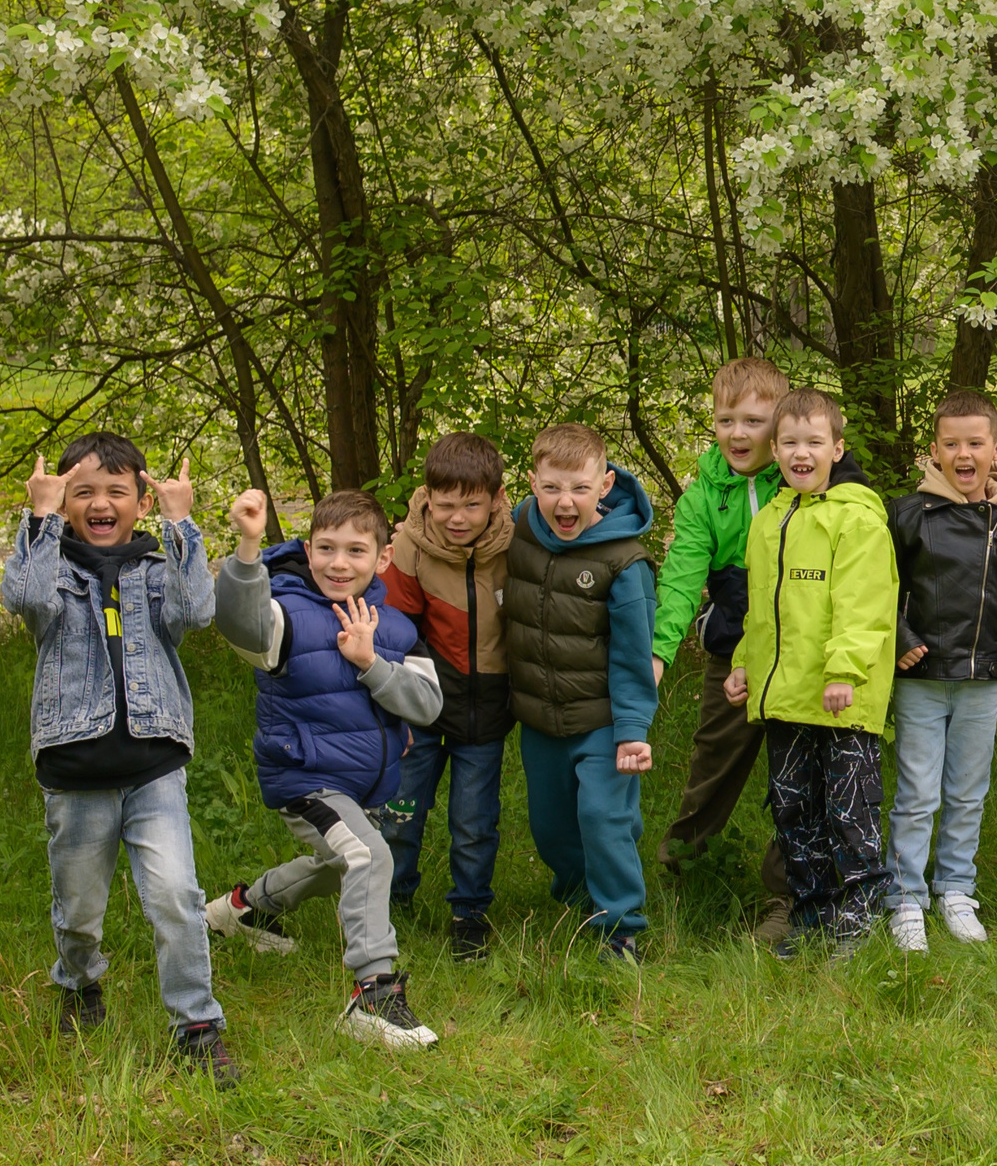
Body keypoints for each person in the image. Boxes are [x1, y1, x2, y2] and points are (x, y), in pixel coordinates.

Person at [0, 436, 235, 1085]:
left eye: (116, 491)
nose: (101, 503)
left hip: (153, 768)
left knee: (175, 897)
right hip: (76, 776)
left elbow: (198, 610)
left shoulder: (157, 567)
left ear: (140, 500)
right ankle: (78, 985)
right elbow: (24, 598)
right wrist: (41, 519)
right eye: (83, 492)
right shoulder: (55, 568)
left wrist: (183, 523)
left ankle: (196, 1025)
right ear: (66, 502)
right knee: (79, 912)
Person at [207, 487, 446, 1049]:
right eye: (326, 548)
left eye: (356, 551)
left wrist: (370, 664)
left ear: (383, 558)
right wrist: (246, 548)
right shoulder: (285, 614)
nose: (339, 563)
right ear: (307, 549)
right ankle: (374, 995)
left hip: (362, 785)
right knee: (367, 854)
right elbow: (241, 627)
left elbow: (428, 706)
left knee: (340, 863)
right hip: (305, 778)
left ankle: (238, 912)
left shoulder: (395, 629)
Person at [725, 388, 899, 957]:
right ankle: (810, 915)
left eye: (815, 443)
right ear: (774, 450)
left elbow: (864, 605)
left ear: (837, 448)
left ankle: (858, 922)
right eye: (791, 443)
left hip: (840, 698)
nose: (802, 454)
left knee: (849, 811)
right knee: (793, 808)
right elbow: (760, 609)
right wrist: (743, 665)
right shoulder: (769, 520)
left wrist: (843, 671)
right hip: (784, 697)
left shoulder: (858, 520)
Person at [883, 389, 997, 951]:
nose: (963, 454)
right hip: (921, 681)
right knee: (918, 791)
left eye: (975, 442)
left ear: (996, 449)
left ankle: (955, 887)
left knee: (968, 792)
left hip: (984, 682)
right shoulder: (907, 515)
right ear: (934, 450)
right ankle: (905, 895)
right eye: (951, 444)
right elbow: (879, 586)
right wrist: (900, 639)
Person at [499, 423, 662, 962]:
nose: (564, 502)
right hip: (540, 718)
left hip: (601, 719)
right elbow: (461, 525)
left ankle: (620, 927)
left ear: (605, 484)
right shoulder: (521, 523)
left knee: (602, 815)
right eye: (550, 488)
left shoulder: (624, 561)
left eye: (578, 488)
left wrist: (632, 731)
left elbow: (634, 656)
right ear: (531, 484)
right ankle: (578, 897)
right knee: (550, 826)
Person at [651, 356, 794, 946]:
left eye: (754, 421)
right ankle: (683, 866)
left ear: (779, 424)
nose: (738, 434)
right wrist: (658, 652)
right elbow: (682, 577)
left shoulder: (809, 478)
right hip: (731, 657)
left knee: (797, 773)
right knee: (713, 762)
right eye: (725, 420)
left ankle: (788, 896)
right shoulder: (703, 497)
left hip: (801, 656)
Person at [377, 432, 515, 960]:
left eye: (472, 505)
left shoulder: (514, 541)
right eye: (446, 504)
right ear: (428, 496)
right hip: (420, 709)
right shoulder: (410, 546)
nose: (457, 517)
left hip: (487, 710)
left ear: (497, 498)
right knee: (401, 812)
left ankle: (470, 911)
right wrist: (412, 701)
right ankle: (391, 899)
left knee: (474, 822)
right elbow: (397, 629)